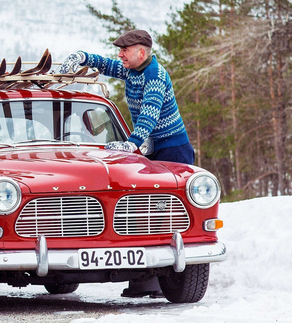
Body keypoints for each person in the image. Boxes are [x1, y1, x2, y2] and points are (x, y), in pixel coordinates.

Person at [60, 29, 194, 298]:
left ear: (141, 52)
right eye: (120, 50)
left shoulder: (154, 76)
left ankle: (172, 279)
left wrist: (132, 144)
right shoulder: (133, 70)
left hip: (173, 150)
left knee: (167, 217)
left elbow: (149, 114)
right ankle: (146, 280)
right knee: (144, 215)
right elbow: (107, 65)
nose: (120, 54)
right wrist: (84, 57)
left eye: (125, 50)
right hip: (152, 149)